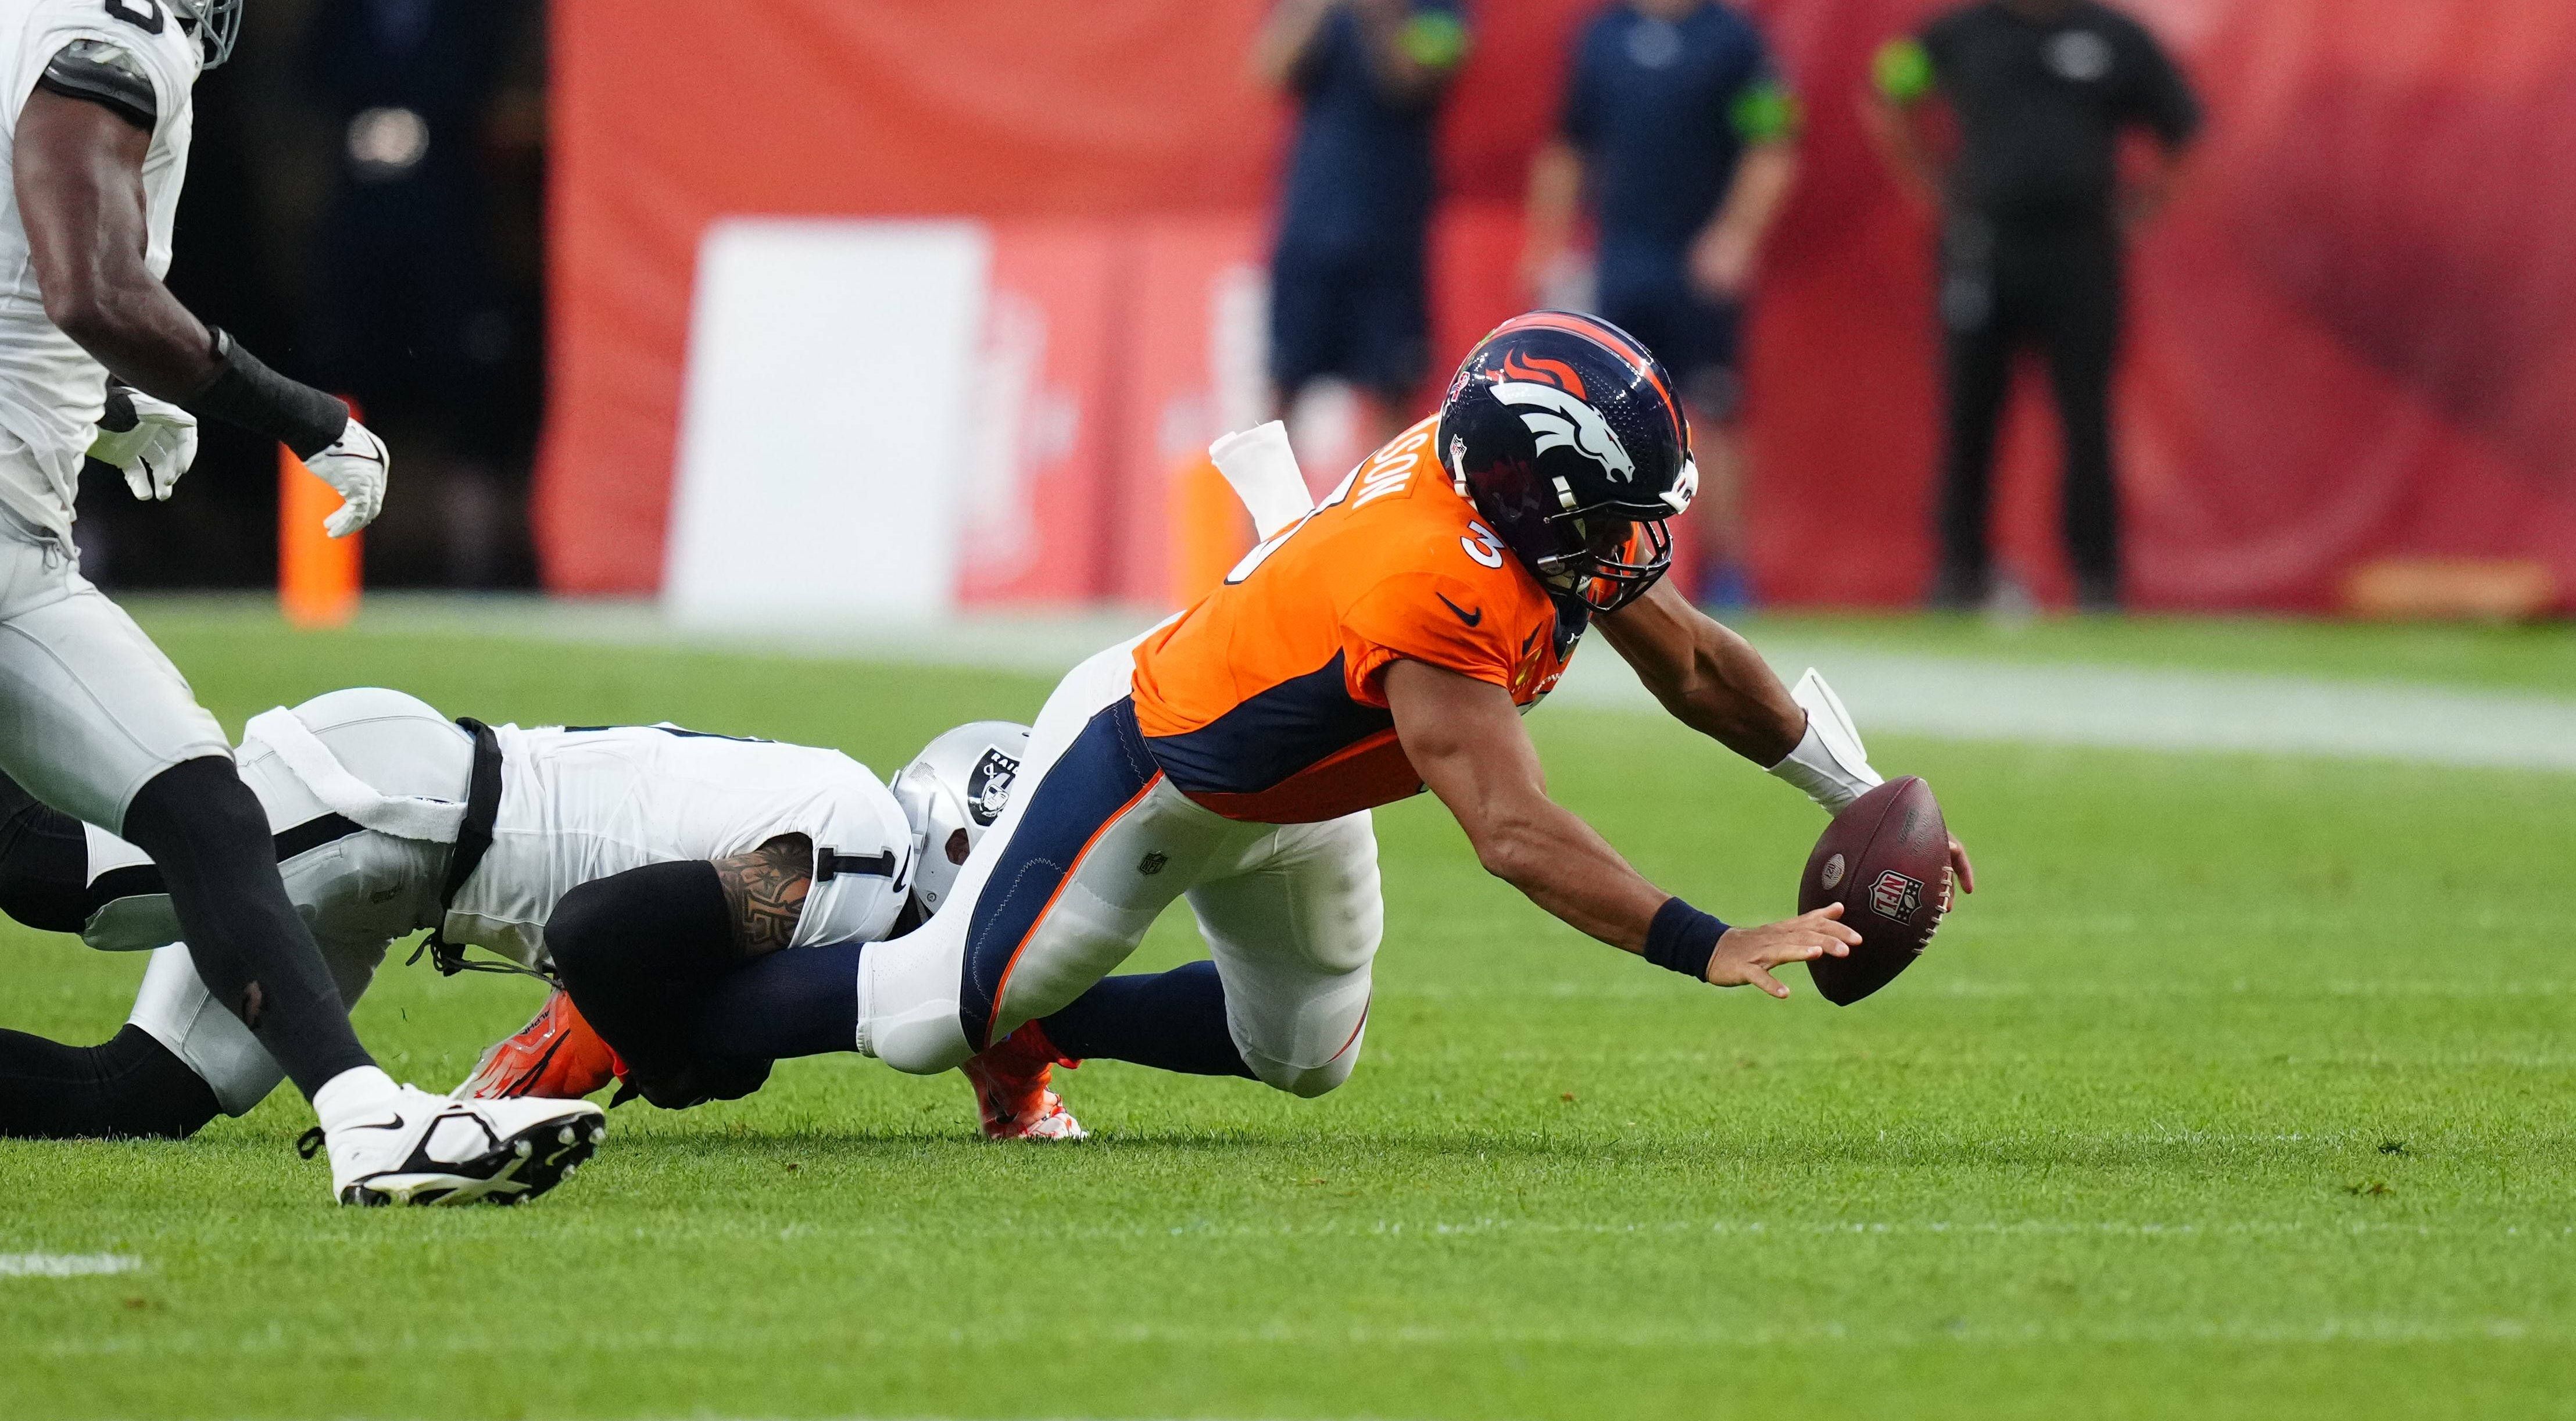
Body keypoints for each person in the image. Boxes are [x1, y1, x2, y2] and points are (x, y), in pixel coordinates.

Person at [538, 313, 1975, 1124]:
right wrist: (1705, 940)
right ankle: (620, 1023)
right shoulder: (1437, 580)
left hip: (1308, 777)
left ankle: (1040, 1025)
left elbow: (1697, 666)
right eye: (1611, 518)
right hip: (1153, 766)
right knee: (930, 1012)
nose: (1632, 548)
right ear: (1532, 494)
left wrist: (1846, 788)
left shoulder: (1522, 516)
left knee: (1304, 1055)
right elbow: (1515, 831)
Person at [0, 0, 602, 1203]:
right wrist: (306, 417)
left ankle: (364, 1117)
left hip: (19, 553)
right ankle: (366, 1114)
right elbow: (90, 290)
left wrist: (98, 408)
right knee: (184, 830)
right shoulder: (108, 43)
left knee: (164, 831)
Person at [0, 690, 1051, 1140]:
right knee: (82, 885)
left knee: (140, 1091)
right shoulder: (860, 860)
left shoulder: (859, 824)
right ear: (966, 843)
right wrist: (673, 1063)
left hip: (406, 861)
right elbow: (599, 930)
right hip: (396, 811)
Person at [1866, 0, 2201, 611]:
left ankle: (2097, 580)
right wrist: (1932, 187)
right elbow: (1888, 89)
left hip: (2080, 253)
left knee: (2087, 415)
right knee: (1971, 412)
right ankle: (1958, 574)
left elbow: (2182, 125)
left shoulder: (2115, 37)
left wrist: (2146, 207)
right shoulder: (1959, 34)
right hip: (1983, 245)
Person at [1523, 0, 1801, 608]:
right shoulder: (1602, 37)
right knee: (1597, 418)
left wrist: (1736, 235)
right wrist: (1546, 246)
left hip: (1696, 264)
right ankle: (1597, 563)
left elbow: (1772, 144)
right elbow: (1569, 145)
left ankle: (1729, 575)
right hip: (1621, 261)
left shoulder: (1735, 41)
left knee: (1717, 409)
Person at [1251, 0, 1470, 451]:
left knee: (1394, 391)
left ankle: (1391, 518)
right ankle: (1261, 524)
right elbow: (1268, 69)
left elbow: (1414, 79)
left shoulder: (1439, 10)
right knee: (1282, 386)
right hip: (1311, 221)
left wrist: (1379, 13)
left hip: (1390, 229)